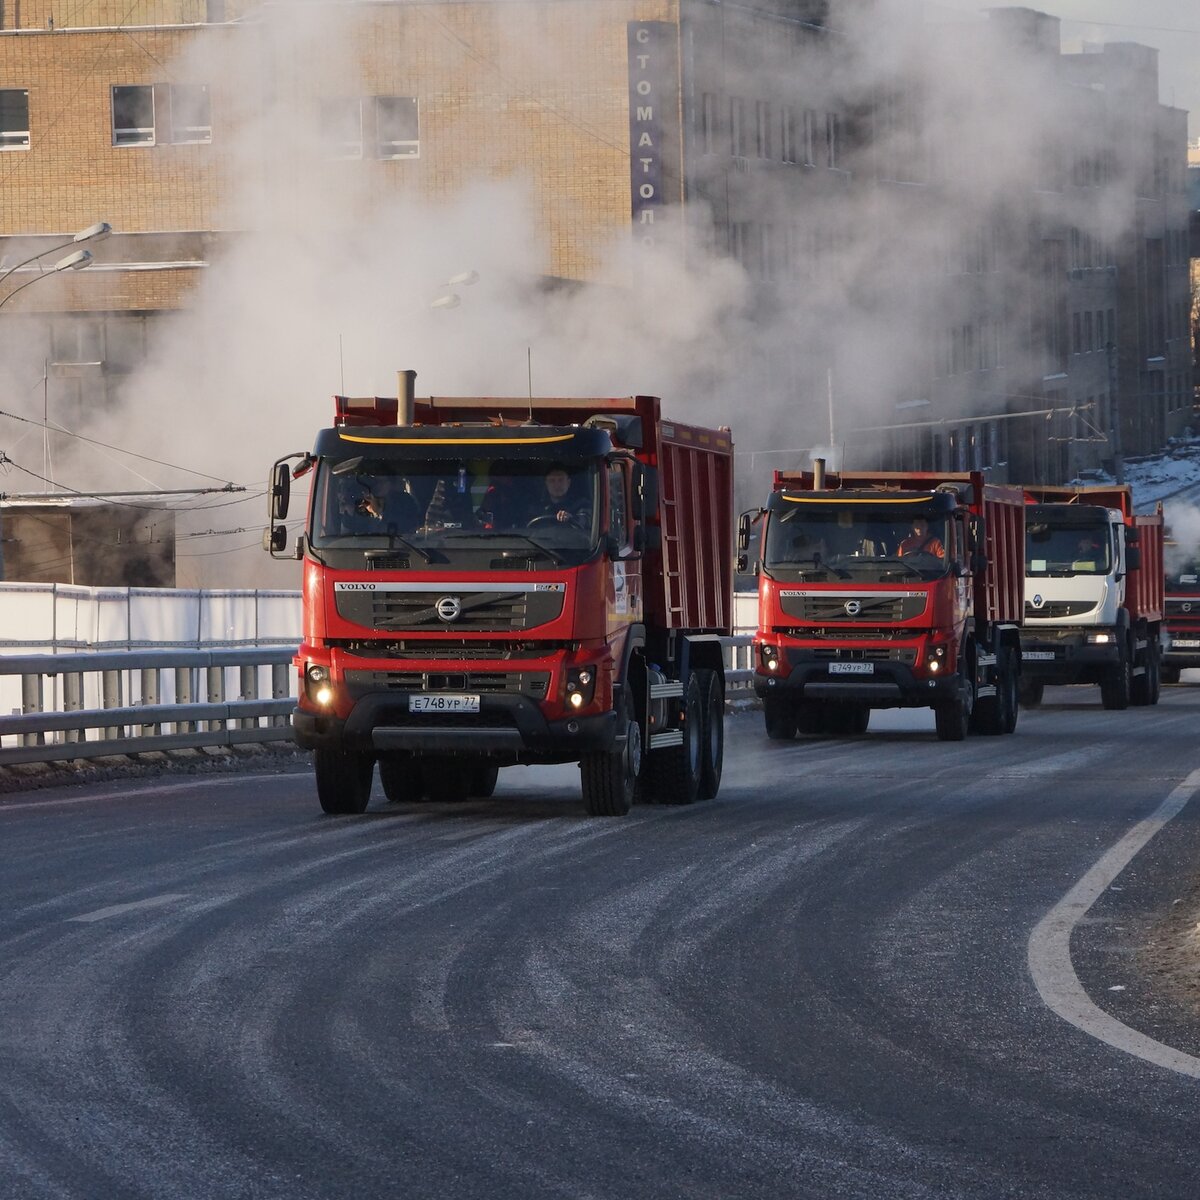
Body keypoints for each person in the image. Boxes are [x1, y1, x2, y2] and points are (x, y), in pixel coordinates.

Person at [526, 464, 591, 526]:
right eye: (552, 480)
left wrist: (572, 519)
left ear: (568, 482)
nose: (557, 485)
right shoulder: (536, 507)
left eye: (561, 480)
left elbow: (586, 520)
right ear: (546, 483)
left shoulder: (581, 505)